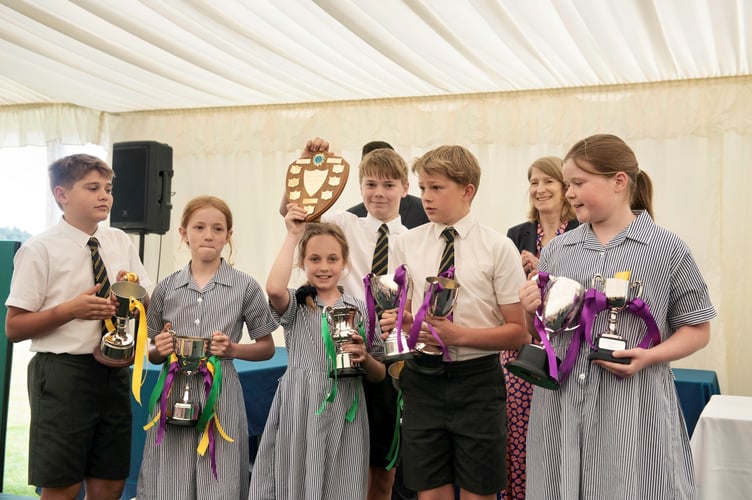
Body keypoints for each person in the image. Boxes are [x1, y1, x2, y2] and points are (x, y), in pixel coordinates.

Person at [518, 134, 715, 499]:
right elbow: (541, 332)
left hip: (633, 409)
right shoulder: (558, 250)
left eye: (578, 183)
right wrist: (532, 309)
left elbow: (698, 328)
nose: (570, 193)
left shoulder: (666, 248)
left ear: (619, 181)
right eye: (568, 184)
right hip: (560, 408)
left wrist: (650, 357)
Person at [4, 153, 152, 500]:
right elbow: (14, 328)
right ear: (61, 194)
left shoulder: (119, 241)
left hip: (114, 370)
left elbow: (145, 302)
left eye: (109, 188)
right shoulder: (39, 249)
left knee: (111, 481)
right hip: (62, 373)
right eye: (93, 187)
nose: (105, 196)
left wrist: (130, 296)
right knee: (63, 484)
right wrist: (70, 310)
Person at [386, 145, 528, 499]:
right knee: (430, 492)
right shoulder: (406, 243)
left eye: (436, 188)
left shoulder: (498, 247)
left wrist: (456, 335)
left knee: (479, 492)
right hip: (422, 378)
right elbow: (405, 310)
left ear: (468, 191)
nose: (426, 198)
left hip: (478, 383)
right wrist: (402, 321)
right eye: (422, 188)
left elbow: (518, 332)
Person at [137, 195, 277, 500]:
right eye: (199, 227)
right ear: (184, 232)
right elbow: (151, 352)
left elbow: (266, 346)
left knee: (221, 478)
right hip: (172, 392)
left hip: (222, 394)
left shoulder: (246, 286)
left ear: (229, 236)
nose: (209, 235)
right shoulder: (165, 288)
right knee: (168, 480)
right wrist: (159, 349)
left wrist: (234, 351)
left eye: (218, 228)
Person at [248, 215, 386, 500]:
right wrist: (293, 235)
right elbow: (273, 288)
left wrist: (365, 359)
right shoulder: (297, 302)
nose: (324, 267)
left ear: (345, 263)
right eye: (314, 259)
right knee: (298, 481)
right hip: (301, 403)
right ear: (303, 263)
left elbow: (380, 372)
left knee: (343, 483)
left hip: (347, 406)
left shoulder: (361, 308)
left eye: (332, 259)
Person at [501, 156, 578, 500]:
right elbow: (504, 290)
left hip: (564, 345)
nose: (540, 189)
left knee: (553, 433)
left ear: (565, 189)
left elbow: (581, 289)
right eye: (534, 182)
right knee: (516, 433)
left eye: (548, 181)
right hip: (522, 345)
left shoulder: (580, 232)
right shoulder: (517, 234)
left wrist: (546, 269)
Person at [347, 140, 429, 229]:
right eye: (371, 184)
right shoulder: (349, 222)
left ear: (404, 188)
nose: (379, 193)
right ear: (361, 187)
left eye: (389, 185)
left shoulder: (425, 210)